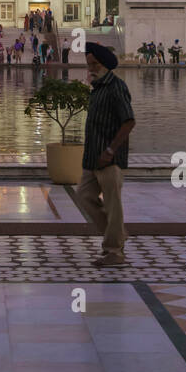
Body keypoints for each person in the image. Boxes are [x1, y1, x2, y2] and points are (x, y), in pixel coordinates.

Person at [72, 43, 136, 267]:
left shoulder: (116, 87)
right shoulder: (98, 87)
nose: (91, 68)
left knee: (112, 205)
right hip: (93, 159)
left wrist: (111, 150)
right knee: (83, 197)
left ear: (106, 65)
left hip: (110, 159)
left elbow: (129, 121)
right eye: (89, 65)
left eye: (95, 64)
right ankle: (116, 235)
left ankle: (114, 252)